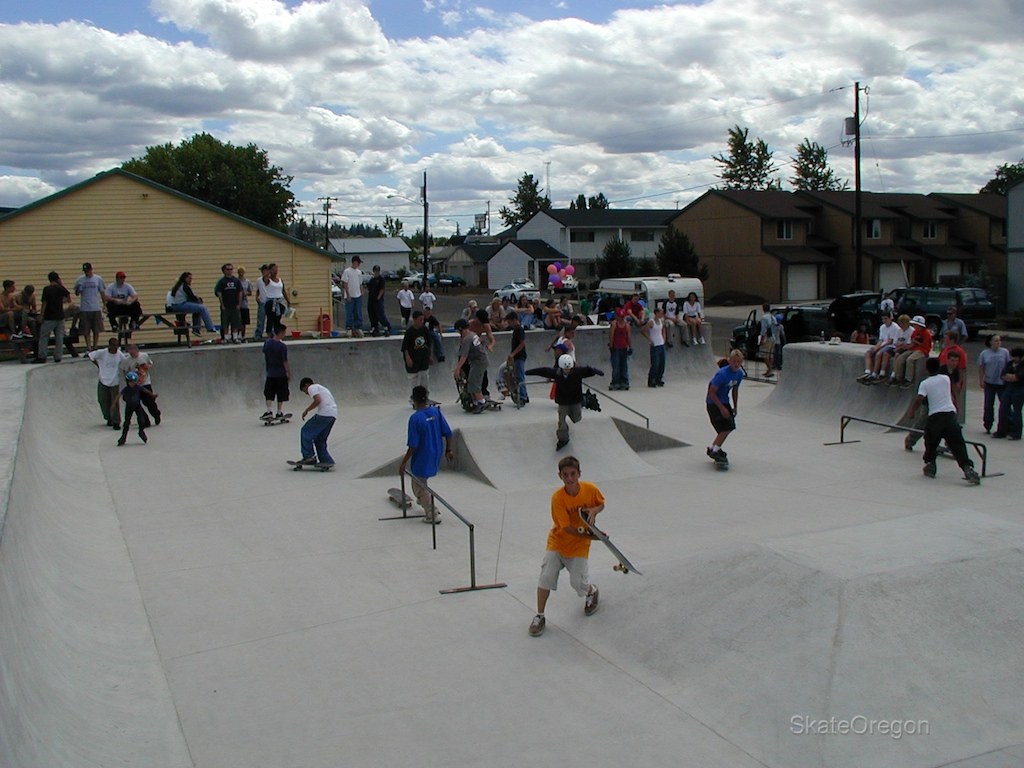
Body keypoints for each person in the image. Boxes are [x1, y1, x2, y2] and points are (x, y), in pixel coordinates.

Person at [528, 455, 605, 637]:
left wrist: (595, 510)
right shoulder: (558, 498)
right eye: (565, 475)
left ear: (579, 474)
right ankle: (540, 616)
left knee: (577, 584)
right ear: (560, 476)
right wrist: (594, 536)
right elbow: (567, 529)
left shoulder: (590, 489)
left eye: (573, 474)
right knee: (546, 576)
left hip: (579, 546)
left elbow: (601, 503)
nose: (570, 479)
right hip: (558, 542)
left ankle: (591, 591)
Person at [907, 357, 980, 485]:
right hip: (950, 415)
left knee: (930, 441)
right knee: (957, 443)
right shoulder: (945, 379)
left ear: (926, 369)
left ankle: (931, 465)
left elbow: (919, 399)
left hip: (935, 416)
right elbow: (952, 389)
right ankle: (968, 469)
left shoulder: (925, 383)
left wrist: (912, 411)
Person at [399, 385, 454, 524]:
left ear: (413, 400)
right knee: (422, 482)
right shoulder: (436, 412)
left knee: (417, 486)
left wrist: (404, 462)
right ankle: (425, 500)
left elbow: (413, 445)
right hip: (436, 452)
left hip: (423, 455)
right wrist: (449, 450)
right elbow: (448, 433)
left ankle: (432, 513)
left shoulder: (415, 418)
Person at [526, 355, 604, 450]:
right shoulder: (556, 373)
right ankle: (563, 438)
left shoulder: (578, 372)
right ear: (561, 367)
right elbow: (542, 370)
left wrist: (598, 372)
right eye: (565, 369)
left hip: (575, 400)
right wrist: (528, 372)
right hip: (563, 402)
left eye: (569, 369)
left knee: (576, 419)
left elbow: (589, 370)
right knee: (561, 420)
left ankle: (586, 400)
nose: (567, 371)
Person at [706, 349, 745, 464]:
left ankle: (712, 448)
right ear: (729, 361)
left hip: (725, 401)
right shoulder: (722, 374)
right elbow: (711, 392)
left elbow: (735, 390)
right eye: (734, 362)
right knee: (726, 427)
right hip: (713, 403)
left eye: (738, 362)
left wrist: (735, 406)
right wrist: (721, 408)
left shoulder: (739, 374)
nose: (736, 364)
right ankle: (715, 450)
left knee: (730, 426)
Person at [295, 377, 337, 467]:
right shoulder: (322, 388)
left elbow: (318, 400)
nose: (306, 393)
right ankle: (326, 460)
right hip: (332, 415)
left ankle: (308, 456)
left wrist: (307, 410)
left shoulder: (312, 387)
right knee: (319, 439)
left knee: (305, 431)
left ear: (306, 385)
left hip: (324, 414)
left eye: (304, 391)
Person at [89, 337, 127, 429]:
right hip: (103, 380)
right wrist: (98, 366)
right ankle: (108, 417)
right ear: (109, 345)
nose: (115, 348)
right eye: (114, 346)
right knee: (102, 400)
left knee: (114, 401)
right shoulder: (102, 353)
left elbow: (125, 366)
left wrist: (127, 379)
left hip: (114, 381)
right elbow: (91, 356)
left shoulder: (120, 355)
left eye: (117, 346)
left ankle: (116, 422)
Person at [120, 342, 161, 426]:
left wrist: (146, 367)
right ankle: (145, 421)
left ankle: (156, 414)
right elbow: (125, 371)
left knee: (149, 402)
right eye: (130, 351)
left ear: (137, 350)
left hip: (145, 382)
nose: (132, 353)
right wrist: (128, 384)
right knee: (135, 403)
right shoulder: (126, 360)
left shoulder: (144, 356)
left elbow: (150, 364)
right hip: (135, 385)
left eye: (133, 351)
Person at [34, 271, 71, 363]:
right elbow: (68, 298)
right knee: (59, 337)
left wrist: (41, 315)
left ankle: (42, 356)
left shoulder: (47, 289)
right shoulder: (61, 288)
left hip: (49, 317)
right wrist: (60, 301)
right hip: (60, 316)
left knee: (44, 336)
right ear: (57, 279)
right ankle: (58, 356)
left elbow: (44, 303)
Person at [453, 318, 489, 413]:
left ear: (461, 329)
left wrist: (458, 368)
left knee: (474, 383)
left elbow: (464, 356)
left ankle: (482, 402)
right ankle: (476, 402)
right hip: (480, 361)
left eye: (458, 331)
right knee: (471, 382)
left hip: (478, 362)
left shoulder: (466, 339)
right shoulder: (472, 334)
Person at [978, 334, 1010, 435]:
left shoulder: (1004, 352)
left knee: (1005, 405)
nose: (998, 343)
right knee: (988, 405)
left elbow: (1009, 365)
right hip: (990, 382)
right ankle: (987, 424)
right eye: (996, 341)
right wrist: (981, 380)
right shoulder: (985, 353)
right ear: (990, 342)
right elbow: (981, 367)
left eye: (999, 341)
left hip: (1002, 383)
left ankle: (1008, 425)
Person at [889, 315, 932, 388]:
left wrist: (916, 342)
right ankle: (898, 377)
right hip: (913, 349)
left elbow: (925, 345)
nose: (914, 326)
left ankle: (908, 379)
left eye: (915, 325)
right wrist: (904, 346)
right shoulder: (915, 332)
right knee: (900, 358)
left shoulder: (926, 333)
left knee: (910, 359)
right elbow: (911, 344)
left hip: (922, 350)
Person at [857, 314, 900, 383]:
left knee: (879, 354)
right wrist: (875, 347)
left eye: (886, 319)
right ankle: (867, 372)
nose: (884, 321)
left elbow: (890, 341)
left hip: (891, 346)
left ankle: (877, 374)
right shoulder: (882, 327)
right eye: (883, 319)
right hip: (883, 345)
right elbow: (881, 340)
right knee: (868, 353)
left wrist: (879, 348)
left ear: (890, 318)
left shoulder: (895, 327)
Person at [112, 370, 150, 446]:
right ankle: (123, 438)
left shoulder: (138, 387)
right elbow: (118, 395)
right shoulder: (126, 389)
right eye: (131, 382)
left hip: (137, 406)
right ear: (127, 382)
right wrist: (114, 404)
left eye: (134, 382)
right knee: (126, 423)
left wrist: (153, 395)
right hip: (129, 407)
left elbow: (145, 391)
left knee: (142, 421)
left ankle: (141, 432)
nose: (132, 384)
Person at [74, 262, 106, 351]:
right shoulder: (80, 279)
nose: (86, 273)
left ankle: (95, 346)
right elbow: (77, 293)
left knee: (96, 329)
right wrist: (78, 288)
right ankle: (88, 347)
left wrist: (104, 304)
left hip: (95, 307)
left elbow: (102, 292)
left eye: (87, 271)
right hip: (85, 307)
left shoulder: (98, 279)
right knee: (86, 330)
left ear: (91, 270)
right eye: (85, 271)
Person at [261, 325, 291, 420]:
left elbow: (265, 354)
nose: (284, 335)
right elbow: (284, 361)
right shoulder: (282, 346)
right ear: (281, 333)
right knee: (281, 393)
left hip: (270, 373)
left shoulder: (267, 343)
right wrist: (288, 372)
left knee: (269, 392)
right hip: (281, 374)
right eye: (284, 333)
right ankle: (279, 412)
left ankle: (269, 410)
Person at [996, 347, 1024, 441]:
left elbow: (1019, 377)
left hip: (1019, 389)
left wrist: (1011, 377)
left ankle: (1016, 433)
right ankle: (1001, 431)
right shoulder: (1009, 364)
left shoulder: (1022, 366)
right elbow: (1003, 375)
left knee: (1017, 411)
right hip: (1008, 388)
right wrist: (1011, 377)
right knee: (1003, 409)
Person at [401, 310, 433, 390]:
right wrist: (408, 358)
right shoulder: (409, 332)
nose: (422, 322)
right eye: (420, 320)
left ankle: (425, 395)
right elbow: (405, 347)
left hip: (423, 357)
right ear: (414, 320)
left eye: (423, 320)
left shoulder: (425, 330)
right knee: (413, 377)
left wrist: (430, 356)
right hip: (413, 358)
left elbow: (429, 344)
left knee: (424, 376)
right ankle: (414, 396)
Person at [214, 263, 244, 343]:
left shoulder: (236, 281)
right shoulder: (221, 281)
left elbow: (240, 292)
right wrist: (222, 304)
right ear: (224, 271)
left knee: (235, 322)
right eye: (227, 269)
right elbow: (218, 292)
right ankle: (226, 337)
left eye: (231, 269)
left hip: (235, 305)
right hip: (226, 306)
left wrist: (239, 304)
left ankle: (235, 337)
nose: (229, 271)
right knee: (225, 322)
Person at [506, 310, 529, 405]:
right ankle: (525, 395)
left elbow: (522, 343)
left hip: (520, 356)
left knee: (520, 377)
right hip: (517, 356)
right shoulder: (516, 329)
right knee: (518, 376)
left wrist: (513, 354)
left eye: (509, 322)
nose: (509, 324)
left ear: (514, 320)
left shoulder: (519, 329)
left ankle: (523, 396)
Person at [260, 263, 289, 336]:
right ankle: (269, 334)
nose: (275, 271)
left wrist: (288, 301)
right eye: (273, 270)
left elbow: (283, 291)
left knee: (277, 319)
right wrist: (267, 272)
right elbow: (265, 279)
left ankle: (277, 334)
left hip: (279, 302)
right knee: (270, 319)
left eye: (276, 269)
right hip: (270, 302)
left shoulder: (280, 280)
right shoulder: (268, 280)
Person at [642, 306, 667, 387]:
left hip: (661, 343)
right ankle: (651, 380)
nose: (661, 314)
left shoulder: (661, 321)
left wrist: (664, 338)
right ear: (656, 313)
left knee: (662, 363)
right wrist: (650, 339)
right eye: (660, 313)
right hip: (655, 345)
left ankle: (658, 379)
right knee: (655, 363)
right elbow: (643, 330)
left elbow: (663, 329)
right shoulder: (651, 322)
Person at [608, 309, 632, 390]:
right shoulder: (614, 324)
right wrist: (611, 346)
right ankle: (615, 382)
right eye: (619, 317)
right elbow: (611, 335)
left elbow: (628, 337)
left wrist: (630, 347)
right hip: (616, 347)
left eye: (622, 317)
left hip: (624, 347)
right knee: (616, 366)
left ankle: (624, 381)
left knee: (624, 365)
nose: (621, 318)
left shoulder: (627, 325)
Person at [340, 256, 365, 337]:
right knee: (349, 312)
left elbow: (360, 283)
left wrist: (361, 291)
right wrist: (348, 294)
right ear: (354, 262)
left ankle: (358, 327)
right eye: (358, 262)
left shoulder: (359, 272)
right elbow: (345, 283)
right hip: (350, 295)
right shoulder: (347, 271)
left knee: (358, 312)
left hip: (358, 295)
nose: (359, 264)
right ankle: (349, 328)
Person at [366, 265, 392, 336]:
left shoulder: (381, 279)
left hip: (378, 300)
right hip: (371, 300)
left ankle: (387, 327)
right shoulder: (372, 280)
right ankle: (374, 328)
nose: (376, 272)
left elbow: (382, 289)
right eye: (375, 271)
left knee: (380, 314)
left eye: (377, 271)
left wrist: (378, 297)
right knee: (372, 314)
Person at [757, 304, 779, 378]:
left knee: (764, 354)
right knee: (771, 355)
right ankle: (769, 370)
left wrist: (762, 339)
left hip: (767, 338)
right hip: (773, 338)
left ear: (763, 308)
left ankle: (770, 369)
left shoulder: (764, 318)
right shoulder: (773, 317)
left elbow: (763, 329)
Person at [253, 264, 270, 340]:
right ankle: (258, 334)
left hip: (270, 301)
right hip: (262, 301)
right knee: (260, 319)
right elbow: (258, 290)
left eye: (264, 270)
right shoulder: (259, 280)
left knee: (271, 319)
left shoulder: (272, 280)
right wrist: (257, 297)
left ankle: (271, 333)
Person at [237, 266, 253, 339]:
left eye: (242, 272)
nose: (241, 274)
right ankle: (237, 335)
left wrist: (245, 294)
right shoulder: (236, 281)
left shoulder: (247, 282)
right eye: (239, 272)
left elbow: (250, 292)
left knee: (244, 321)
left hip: (244, 304)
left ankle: (243, 335)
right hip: (237, 303)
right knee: (237, 320)